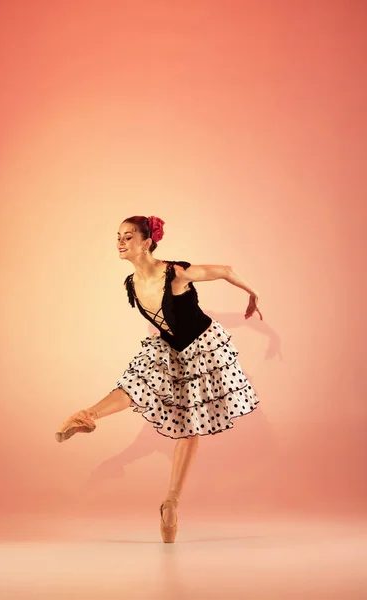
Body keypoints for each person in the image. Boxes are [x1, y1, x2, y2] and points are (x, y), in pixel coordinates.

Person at [55, 215, 262, 543]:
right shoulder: (130, 283)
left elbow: (224, 270)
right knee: (137, 383)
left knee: (186, 424)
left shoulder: (176, 274)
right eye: (118, 236)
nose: (120, 242)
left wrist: (252, 294)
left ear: (147, 241)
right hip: (170, 346)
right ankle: (88, 415)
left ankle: (171, 504)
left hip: (202, 348)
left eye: (128, 236)